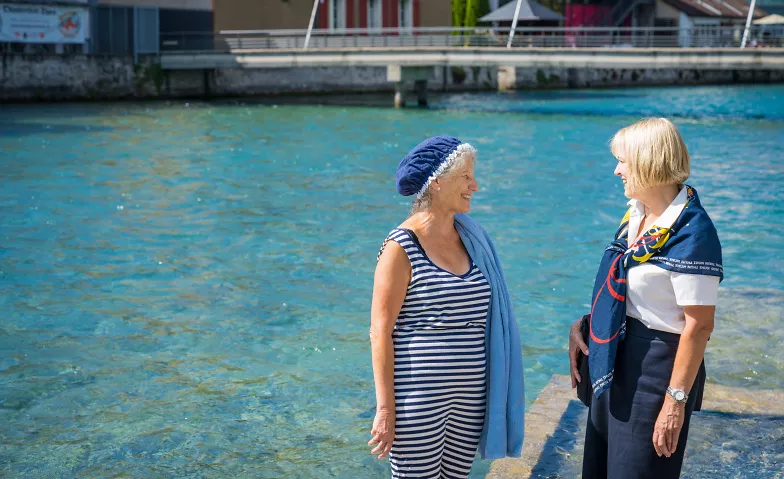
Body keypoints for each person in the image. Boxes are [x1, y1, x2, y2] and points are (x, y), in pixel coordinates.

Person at [568, 118, 724, 479]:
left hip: (655, 370)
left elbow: (699, 326)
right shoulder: (636, 216)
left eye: (623, 160)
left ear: (648, 162)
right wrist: (585, 326)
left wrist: (675, 401)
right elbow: (631, 295)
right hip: (615, 361)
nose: (616, 170)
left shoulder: (692, 233)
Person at [368, 136, 525, 478]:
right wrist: (385, 410)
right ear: (436, 182)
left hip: (470, 399)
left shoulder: (472, 238)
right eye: (466, 177)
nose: (475, 186)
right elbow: (380, 331)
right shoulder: (401, 247)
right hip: (418, 400)